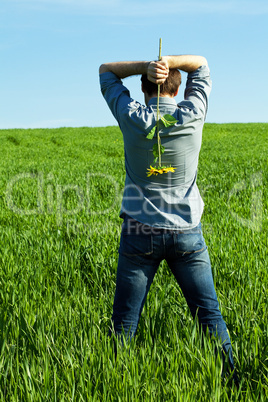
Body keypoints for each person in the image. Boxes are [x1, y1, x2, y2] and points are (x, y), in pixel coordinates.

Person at [99, 54, 238, 383]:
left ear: (144, 88)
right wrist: (171, 61)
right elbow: (202, 65)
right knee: (209, 316)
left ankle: (112, 385)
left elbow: (106, 71)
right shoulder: (193, 114)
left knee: (124, 324)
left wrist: (145, 66)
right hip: (187, 233)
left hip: (138, 232)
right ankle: (233, 383)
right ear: (178, 90)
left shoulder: (132, 116)